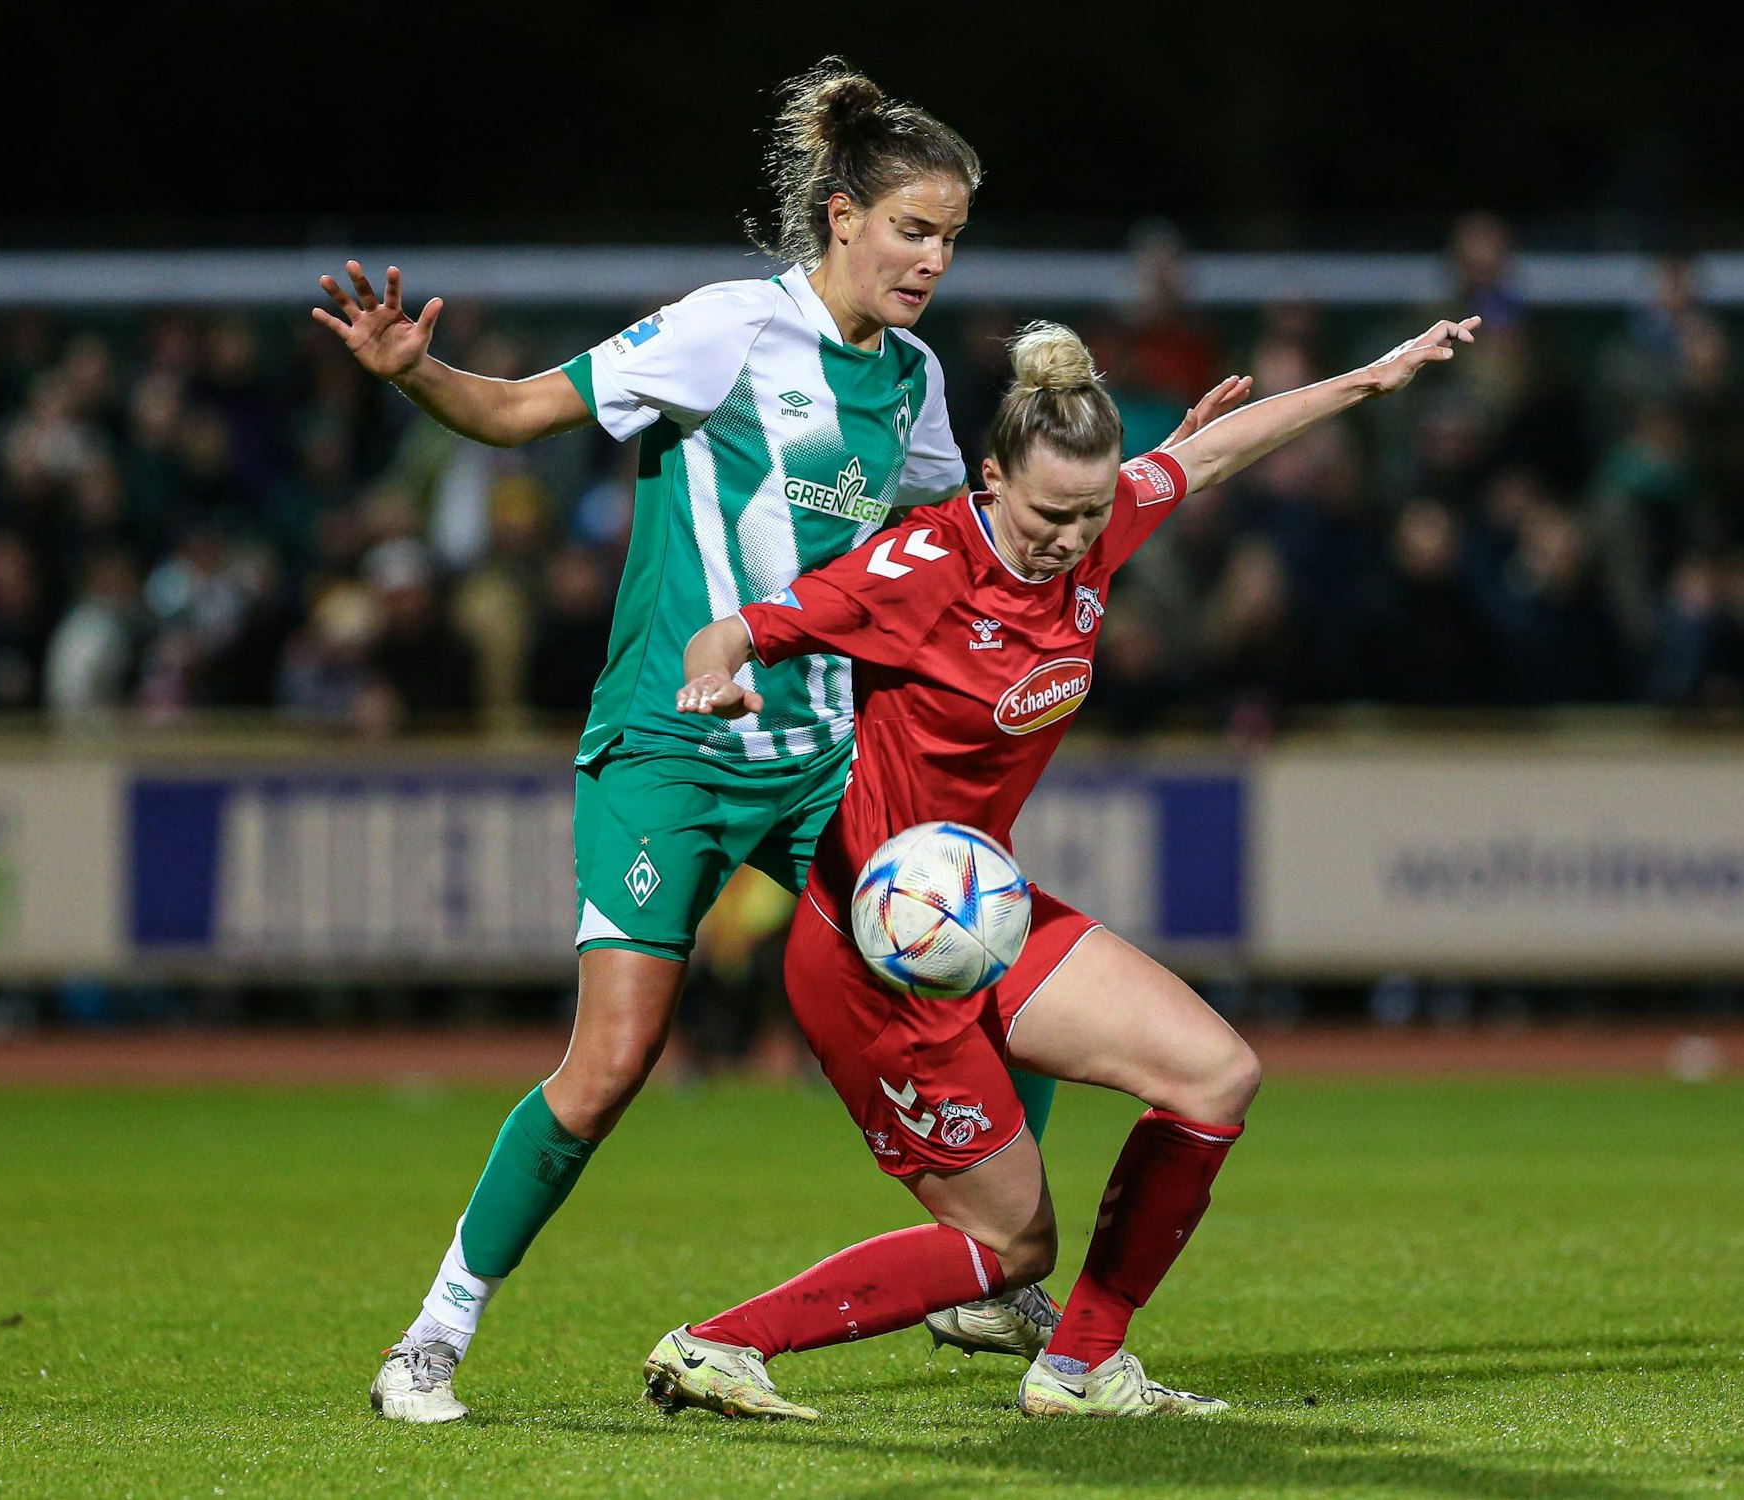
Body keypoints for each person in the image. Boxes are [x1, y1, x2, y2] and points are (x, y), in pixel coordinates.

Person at [317, 62, 1239, 1422]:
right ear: (842, 217)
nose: (932, 261)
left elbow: (962, 535)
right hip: (670, 748)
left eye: (951, 238)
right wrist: (420, 378)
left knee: (988, 957)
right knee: (612, 1063)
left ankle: (993, 1282)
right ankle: (431, 1338)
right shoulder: (725, 330)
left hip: (823, 762)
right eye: (913, 230)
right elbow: (513, 412)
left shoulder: (913, 378)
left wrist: (1139, 486)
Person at [650, 312, 1477, 1420]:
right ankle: (715, 1344)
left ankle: (1081, 1366)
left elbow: (1210, 456)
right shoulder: (918, 568)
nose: (1069, 538)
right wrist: (715, 678)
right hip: (876, 951)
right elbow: (739, 632)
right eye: (1048, 515)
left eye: (1090, 513)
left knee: (1215, 1075)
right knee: (1008, 1245)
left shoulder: (1097, 525)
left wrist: (1366, 381)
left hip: (977, 916)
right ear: (990, 479)